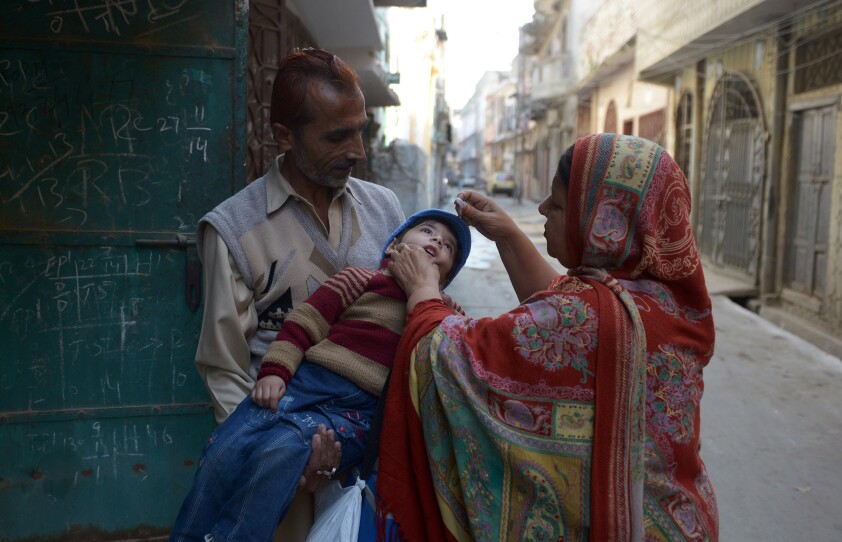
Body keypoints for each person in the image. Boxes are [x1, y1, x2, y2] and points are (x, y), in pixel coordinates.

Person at [379, 133, 718, 540]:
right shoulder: (664, 304)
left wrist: (423, 292)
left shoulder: (588, 315)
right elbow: (569, 305)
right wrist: (506, 234)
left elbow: (455, 357)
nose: (541, 208)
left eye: (556, 205)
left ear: (602, 225)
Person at [189, 47, 404, 535]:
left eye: (361, 130)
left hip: (371, 458)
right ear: (284, 135)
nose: (358, 151)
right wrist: (284, 456)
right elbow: (226, 371)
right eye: (337, 136)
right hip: (278, 459)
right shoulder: (234, 230)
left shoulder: (387, 211)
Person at [172, 209, 471, 542]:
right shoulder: (360, 279)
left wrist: (443, 308)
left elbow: (452, 356)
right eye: (427, 231)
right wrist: (275, 371)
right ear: (394, 247)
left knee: (281, 450)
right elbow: (305, 323)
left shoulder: (440, 310)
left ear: (445, 276)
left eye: (448, 246)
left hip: (357, 412)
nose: (436, 241)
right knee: (225, 448)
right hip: (307, 384)